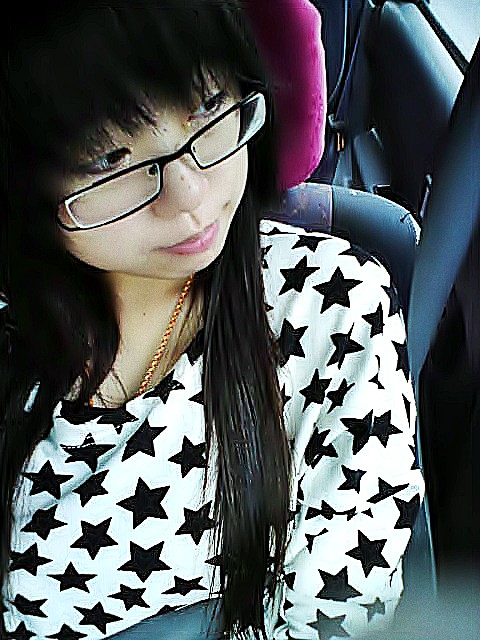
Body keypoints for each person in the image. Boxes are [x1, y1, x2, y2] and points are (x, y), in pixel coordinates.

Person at [0, 2, 424, 638]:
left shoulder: (331, 308)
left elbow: (339, 618)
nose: (191, 196)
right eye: (110, 158)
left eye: (207, 109)